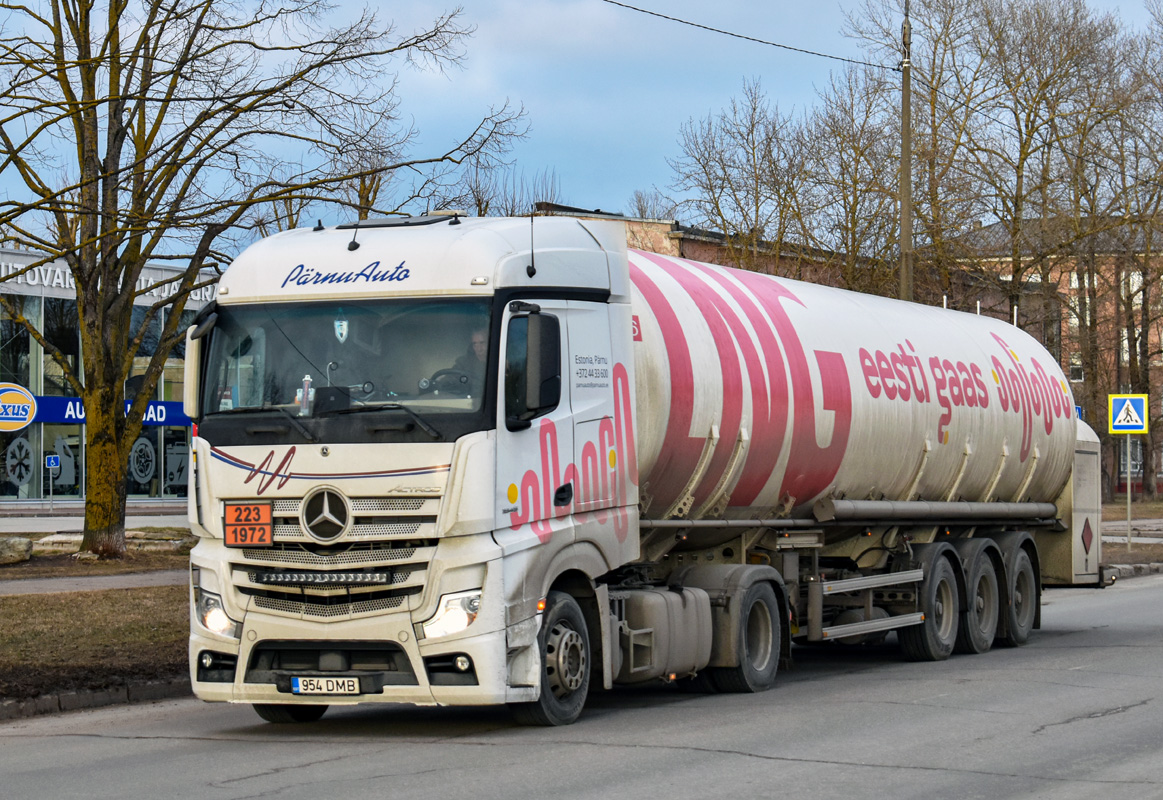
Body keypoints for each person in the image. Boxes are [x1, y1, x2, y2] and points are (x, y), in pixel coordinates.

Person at [450, 326, 488, 393]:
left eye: (482, 343)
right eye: (475, 344)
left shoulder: (501, 362)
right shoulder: (463, 363)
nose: (479, 349)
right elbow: (450, 379)